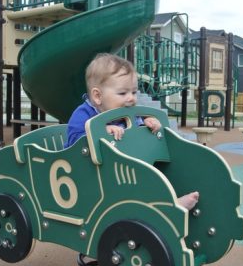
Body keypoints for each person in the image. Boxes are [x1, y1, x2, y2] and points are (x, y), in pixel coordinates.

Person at [66, 53, 199, 210]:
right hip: (89, 176)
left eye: (134, 92)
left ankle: (167, 203)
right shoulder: (84, 114)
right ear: (97, 96)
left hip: (121, 172)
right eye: (123, 93)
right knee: (134, 178)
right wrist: (102, 131)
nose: (131, 98)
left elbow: (136, 129)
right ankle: (166, 206)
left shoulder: (126, 114)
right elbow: (75, 143)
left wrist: (148, 124)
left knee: (147, 171)